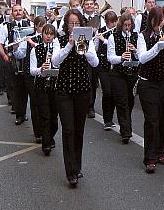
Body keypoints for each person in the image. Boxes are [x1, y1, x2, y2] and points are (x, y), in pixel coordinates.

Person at [51, 9, 98, 187]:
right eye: (71, 23)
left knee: (79, 131)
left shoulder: (88, 40)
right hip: (64, 91)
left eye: (77, 23)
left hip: (82, 91)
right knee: (68, 130)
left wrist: (84, 48)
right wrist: (70, 45)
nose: (74, 26)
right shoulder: (60, 39)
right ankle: (70, 172)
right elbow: (56, 61)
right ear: (66, 25)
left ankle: (77, 167)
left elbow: (95, 63)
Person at [136, 6, 164, 173]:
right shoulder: (142, 36)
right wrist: (158, 46)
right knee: (152, 120)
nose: (159, 25)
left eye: (161, 22)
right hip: (149, 83)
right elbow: (142, 58)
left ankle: (160, 152)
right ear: (151, 21)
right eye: (156, 22)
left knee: (163, 118)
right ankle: (150, 158)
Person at [28, 20, 60, 156]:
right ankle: (46, 144)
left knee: (54, 116)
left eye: (51, 34)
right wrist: (41, 69)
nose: (48, 37)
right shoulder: (36, 49)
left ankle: (50, 136)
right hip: (41, 86)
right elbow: (31, 70)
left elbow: (60, 65)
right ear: (42, 35)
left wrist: (54, 64)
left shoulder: (57, 49)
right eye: (46, 34)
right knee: (45, 115)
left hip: (55, 85)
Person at [0, 4, 32, 125]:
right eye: (15, 11)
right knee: (16, 88)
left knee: (26, 88)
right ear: (12, 13)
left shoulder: (29, 25)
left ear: (23, 12)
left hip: (27, 61)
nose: (17, 12)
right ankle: (19, 114)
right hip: (14, 61)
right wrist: (5, 56)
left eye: (20, 10)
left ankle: (24, 112)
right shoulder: (5, 26)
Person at [107, 12, 138, 144]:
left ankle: (125, 125)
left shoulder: (136, 36)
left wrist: (135, 50)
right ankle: (126, 131)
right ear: (121, 25)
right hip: (118, 73)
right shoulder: (113, 37)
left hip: (132, 72)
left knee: (130, 101)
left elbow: (141, 56)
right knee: (122, 101)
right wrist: (121, 57)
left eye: (129, 25)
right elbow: (110, 57)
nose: (127, 28)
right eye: (125, 25)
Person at [95, 11, 118, 130]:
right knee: (107, 91)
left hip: (114, 66)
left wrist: (104, 40)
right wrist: (97, 38)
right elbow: (95, 48)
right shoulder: (101, 30)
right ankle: (106, 119)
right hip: (103, 65)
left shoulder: (117, 32)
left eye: (114, 22)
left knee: (113, 92)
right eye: (110, 23)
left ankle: (110, 118)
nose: (113, 25)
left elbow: (116, 46)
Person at [82, 0, 103, 119]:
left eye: (91, 4)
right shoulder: (80, 18)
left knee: (93, 81)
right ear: (84, 6)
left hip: (95, 51)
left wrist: (98, 32)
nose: (89, 6)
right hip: (83, 52)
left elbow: (106, 31)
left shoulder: (100, 19)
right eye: (87, 4)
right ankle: (83, 104)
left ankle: (91, 106)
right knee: (85, 78)